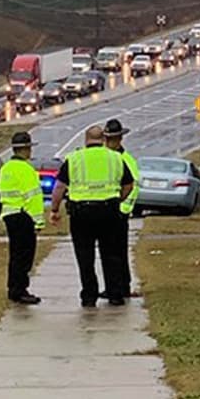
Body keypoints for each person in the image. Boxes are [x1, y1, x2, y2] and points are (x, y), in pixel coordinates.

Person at [49, 125, 135, 307]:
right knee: (111, 254)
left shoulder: (74, 158)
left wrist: (55, 210)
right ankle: (115, 294)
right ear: (103, 139)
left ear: (85, 140)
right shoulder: (115, 158)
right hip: (109, 211)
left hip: (81, 213)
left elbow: (59, 187)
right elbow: (129, 185)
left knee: (84, 256)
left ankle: (89, 295)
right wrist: (118, 199)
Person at [0, 131, 45, 305]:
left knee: (15, 254)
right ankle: (20, 290)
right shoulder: (26, 169)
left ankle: (13, 288)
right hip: (23, 215)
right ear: (25, 149)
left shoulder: (6, 168)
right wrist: (38, 220)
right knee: (25, 255)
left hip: (9, 214)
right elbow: (33, 197)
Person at [103, 119, 141, 298]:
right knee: (108, 253)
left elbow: (133, 186)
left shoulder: (126, 160)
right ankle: (112, 287)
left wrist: (123, 208)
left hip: (118, 213)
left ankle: (122, 287)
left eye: (111, 139)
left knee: (118, 252)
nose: (108, 143)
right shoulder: (106, 158)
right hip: (106, 211)